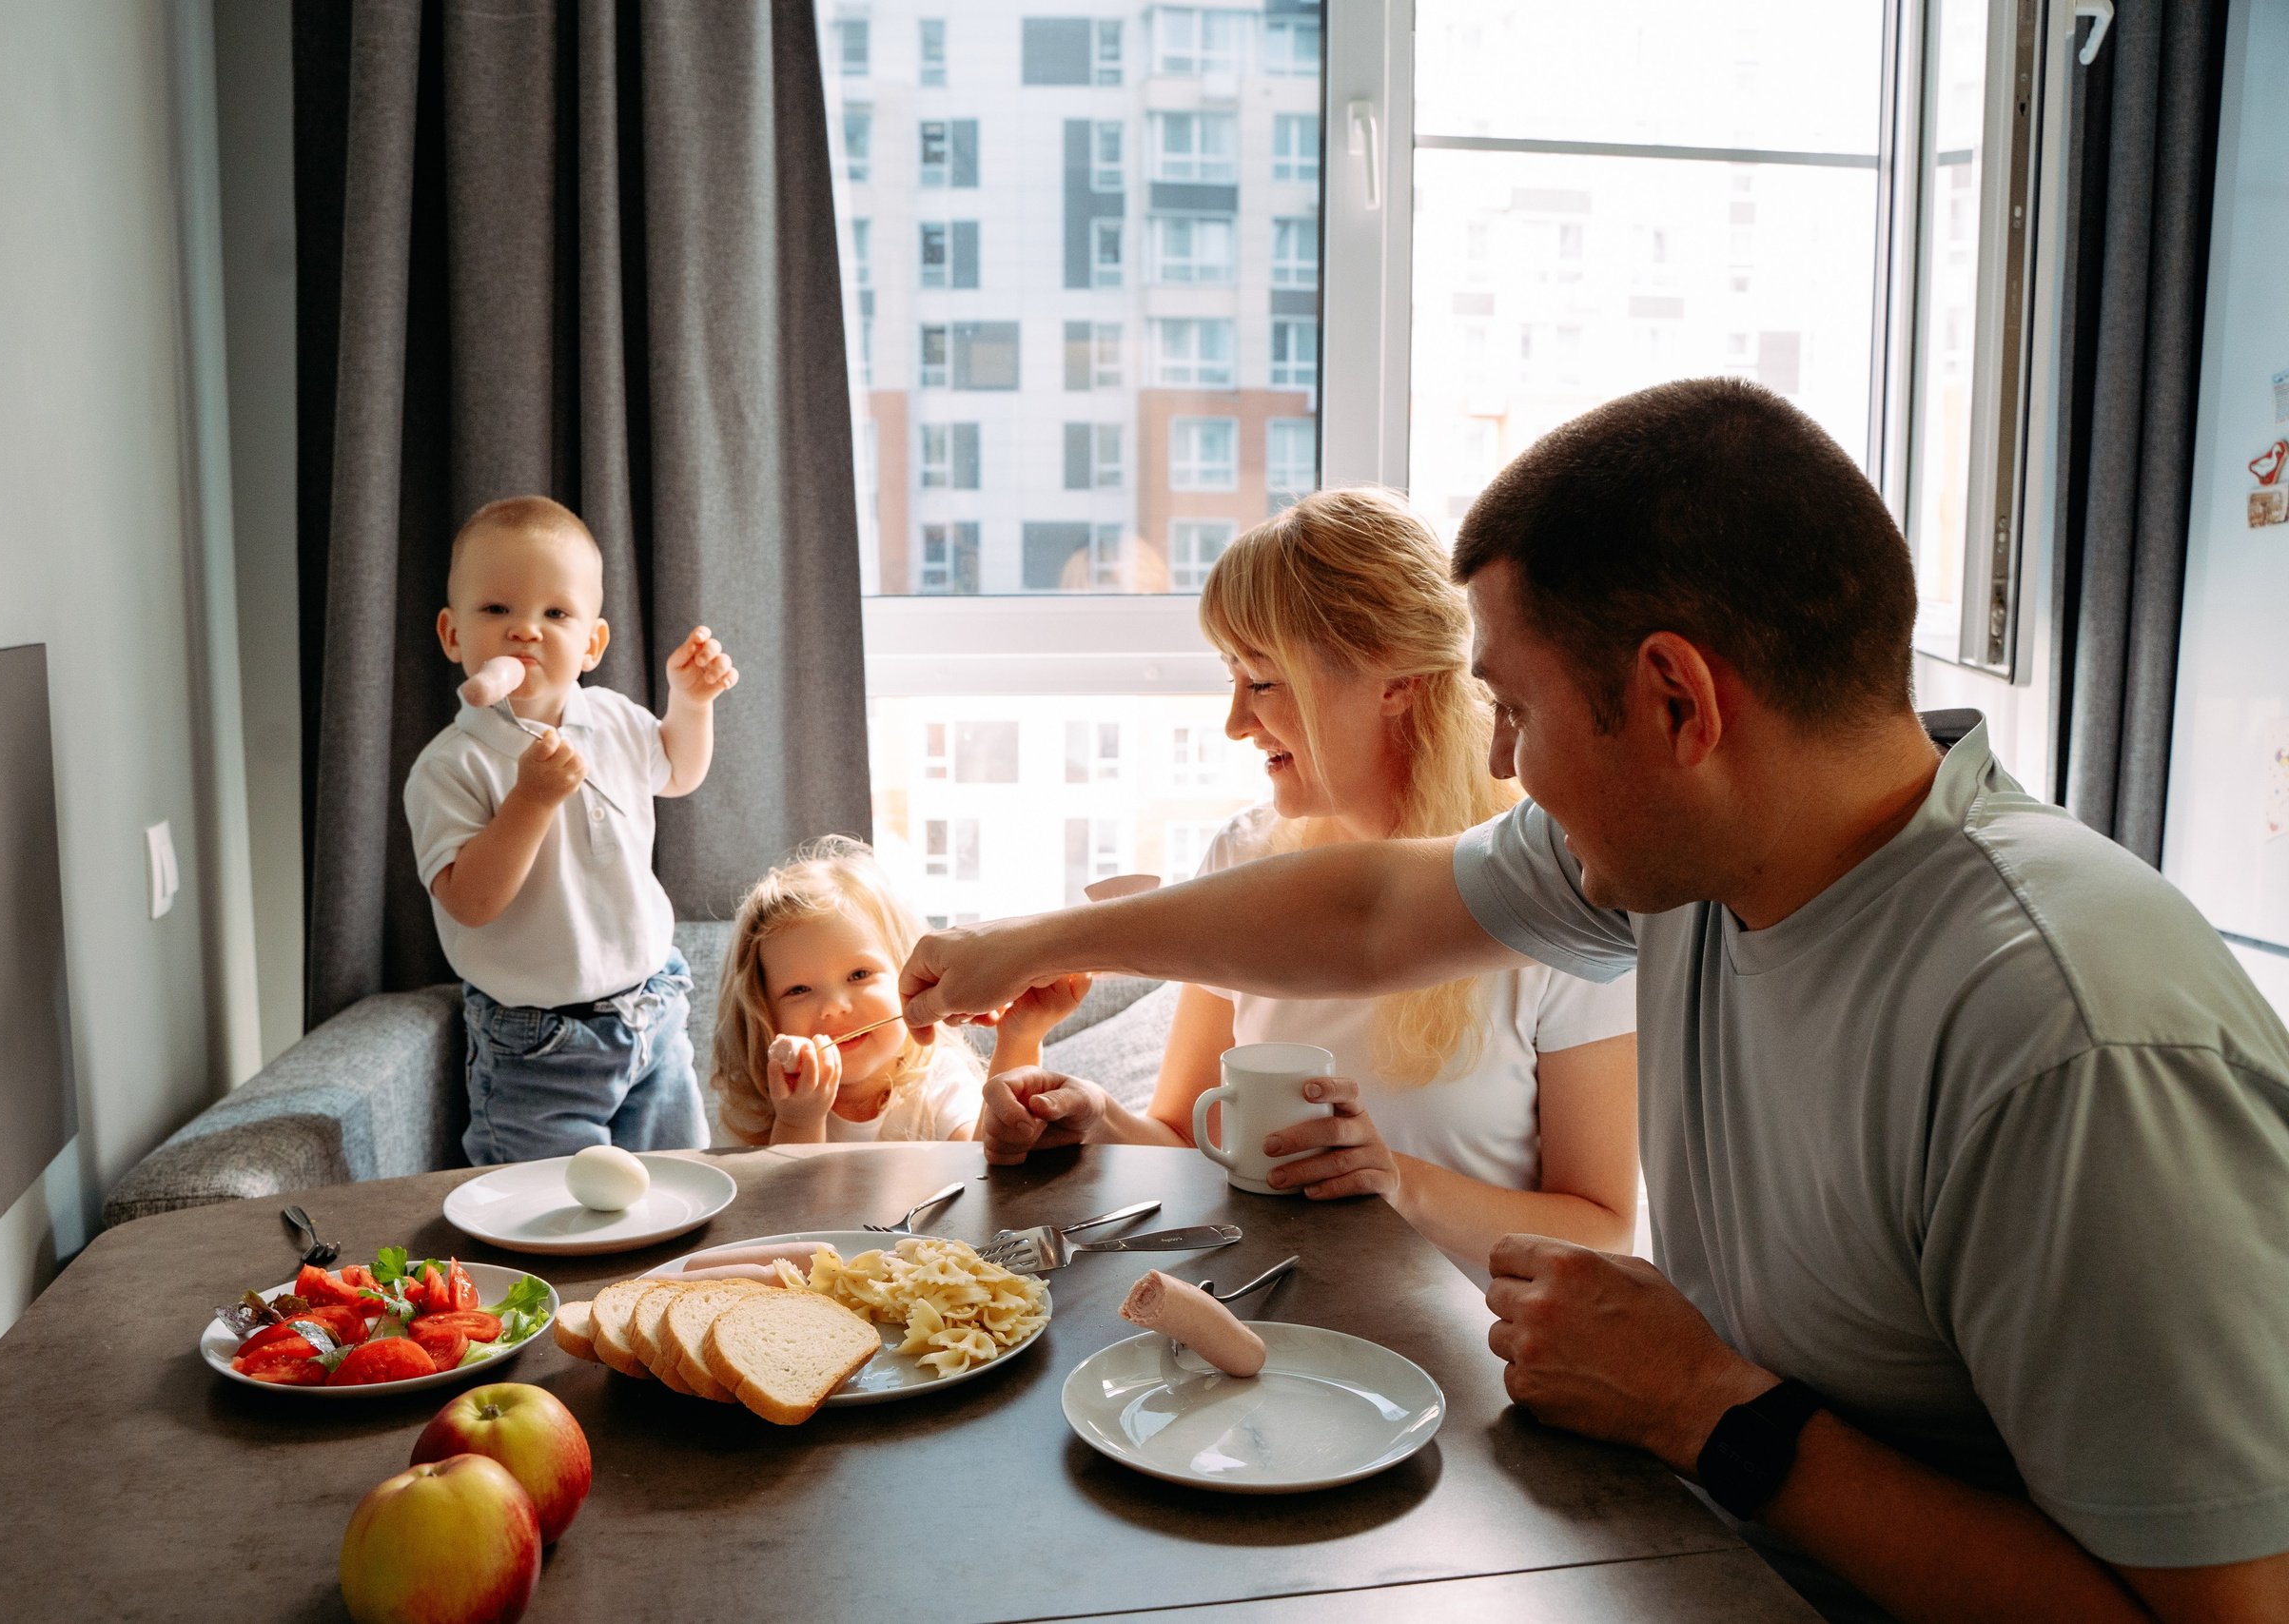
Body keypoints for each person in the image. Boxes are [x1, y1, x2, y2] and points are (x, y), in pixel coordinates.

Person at [901, 380, 2289, 1623]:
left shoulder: (2072, 1039)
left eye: (1515, 707)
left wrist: (1708, 1409)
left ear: (1677, 701)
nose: (1500, 759)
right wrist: (1036, 943)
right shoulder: (1696, 855)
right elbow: (1369, 911)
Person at [978, 488, 1640, 1273]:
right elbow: (1187, 1140)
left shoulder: (1555, 888)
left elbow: (1603, 1231)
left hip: (1464, 1335)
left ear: (1394, 680)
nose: (1234, 722)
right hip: (1265, 1318)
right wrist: (1096, 1119)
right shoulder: (1244, 855)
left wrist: (1399, 1182)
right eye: (1232, 676)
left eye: (1262, 681)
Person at [404, 495, 738, 1164]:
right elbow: (470, 900)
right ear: (452, 634)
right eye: (496, 609)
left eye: (555, 614)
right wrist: (530, 800)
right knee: (546, 1205)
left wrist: (691, 703)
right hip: (537, 1048)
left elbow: (678, 771)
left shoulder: (615, 717)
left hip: (652, 1009)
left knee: (677, 1183)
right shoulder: (450, 765)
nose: (525, 631)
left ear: (592, 643)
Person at [713, 835, 1089, 1145]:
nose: (834, 1007)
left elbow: (987, 1168)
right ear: (762, 1011)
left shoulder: (937, 1081)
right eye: (798, 990)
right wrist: (798, 1122)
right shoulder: (763, 1106)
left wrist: (1020, 1037)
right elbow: (788, 1210)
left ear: (909, 978)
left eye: (859, 974)